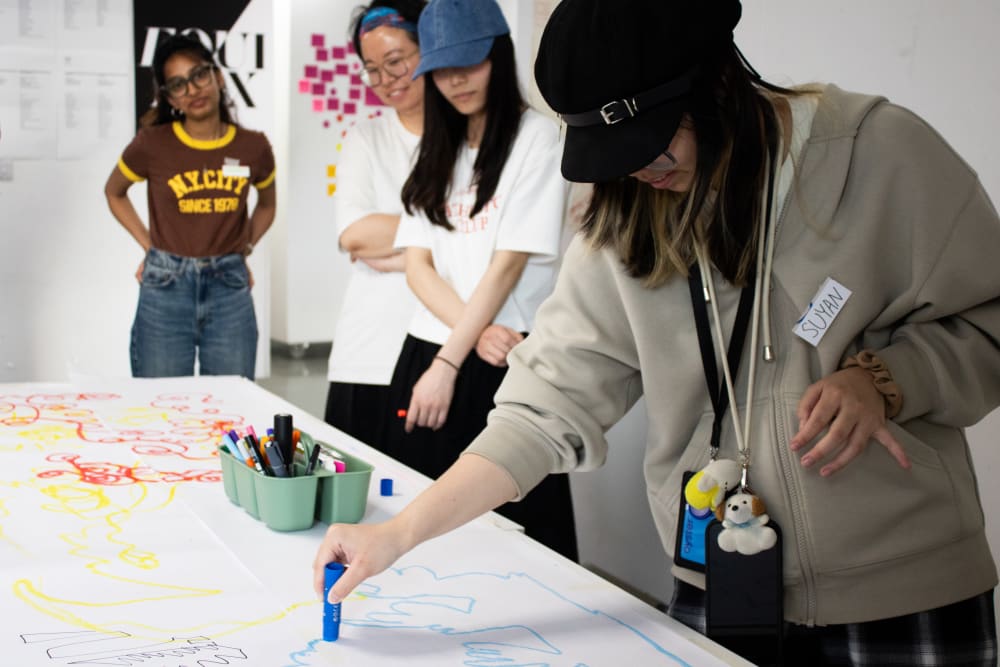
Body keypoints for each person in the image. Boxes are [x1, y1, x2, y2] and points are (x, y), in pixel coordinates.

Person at [314, 0, 1000, 664]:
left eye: (652, 141)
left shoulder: (879, 154)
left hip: (902, 587)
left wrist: (889, 379)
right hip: (717, 576)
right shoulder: (626, 211)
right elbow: (543, 408)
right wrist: (398, 534)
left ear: (717, 82)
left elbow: (987, 318)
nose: (640, 169)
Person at [383, 0, 578, 560]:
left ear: (499, 53)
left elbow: (508, 265)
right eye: (441, 69)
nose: (455, 81)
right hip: (435, 351)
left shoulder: (538, 138)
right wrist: (463, 342)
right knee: (418, 530)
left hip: (501, 359)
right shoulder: (436, 147)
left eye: (468, 63)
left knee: (520, 537)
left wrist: (451, 362)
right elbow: (417, 266)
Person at [105, 34, 276, 380]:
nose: (192, 90)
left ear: (218, 77)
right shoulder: (152, 144)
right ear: (170, 98)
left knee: (231, 401)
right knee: (161, 401)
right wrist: (150, 247)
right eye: (178, 84)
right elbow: (114, 192)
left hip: (229, 287)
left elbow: (267, 206)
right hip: (165, 287)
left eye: (199, 75)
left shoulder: (253, 147)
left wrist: (244, 248)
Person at [323, 0, 425, 453]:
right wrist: (451, 232)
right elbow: (354, 234)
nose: (386, 80)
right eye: (372, 69)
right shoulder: (365, 137)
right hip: (367, 353)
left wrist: (403, 252)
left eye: (396, 61)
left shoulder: (473, 139)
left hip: (444, 349)